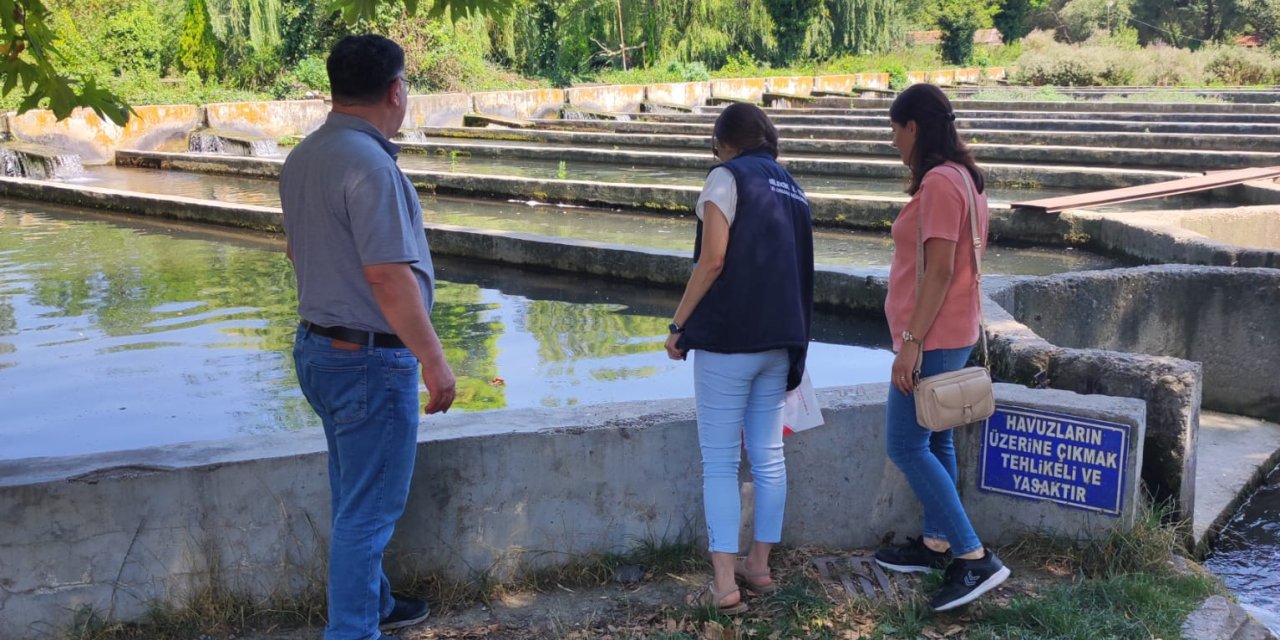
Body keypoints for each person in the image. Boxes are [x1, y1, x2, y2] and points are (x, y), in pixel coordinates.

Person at [280, 34, 456, 640]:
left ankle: (374, 603)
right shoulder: (370, 164)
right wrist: (434, 360)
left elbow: (296, 251)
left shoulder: (304, 156)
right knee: (369, 511)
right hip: (366, 360)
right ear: (396, 91)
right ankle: (353, 630)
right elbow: (387, 274)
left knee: (353, 492)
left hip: (318, 348)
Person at [665, 102, 814, 615]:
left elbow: (713, 259)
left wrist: (678, 324)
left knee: (721, 463)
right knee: (769, 456)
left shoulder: (725, 178)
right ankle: (760, 566)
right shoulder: (792, 187)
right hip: (781, 341)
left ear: (725, 143)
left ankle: (725, 584)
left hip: (729, 341)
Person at [873, 82, 1009, 611]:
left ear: (914, 128)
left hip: (932, 338)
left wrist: (910, 343)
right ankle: (937, 543)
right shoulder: (966, 180)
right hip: (955, 332)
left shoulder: (938, 184)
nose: (892, 141)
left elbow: (940, 271)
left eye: (894, 130)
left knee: (905, 445)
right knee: (937, 441)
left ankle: (974, 557)